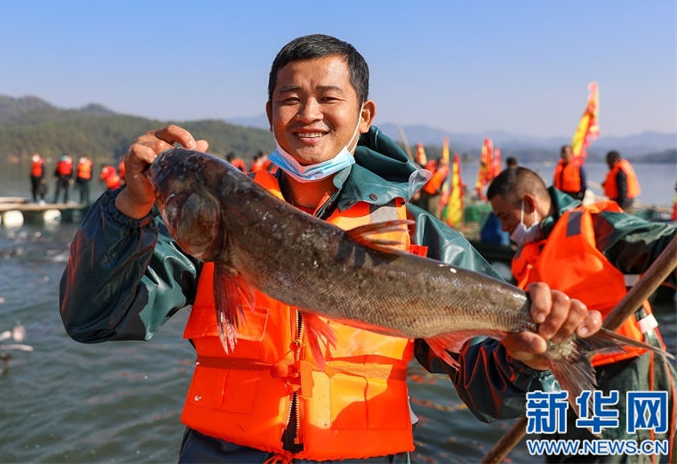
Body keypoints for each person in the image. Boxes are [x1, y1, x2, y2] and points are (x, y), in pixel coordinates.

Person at [60, 34, 603, 462]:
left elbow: (494, 398)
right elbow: (92, 319)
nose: (308, 113)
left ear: (364, 115)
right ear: (270, 113)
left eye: (329, 97)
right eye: (290, 99)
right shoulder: (205, 234)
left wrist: (524, 357)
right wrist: (128, 209)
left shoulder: (420, 238)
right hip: (224, 456)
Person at [487, 166, 676, 462]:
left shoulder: (594, 224)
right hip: (559, 380)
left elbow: (659, 244)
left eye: (505, 217)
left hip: (620, 371)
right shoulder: (526, 256)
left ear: (529, 204)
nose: (503, 229)